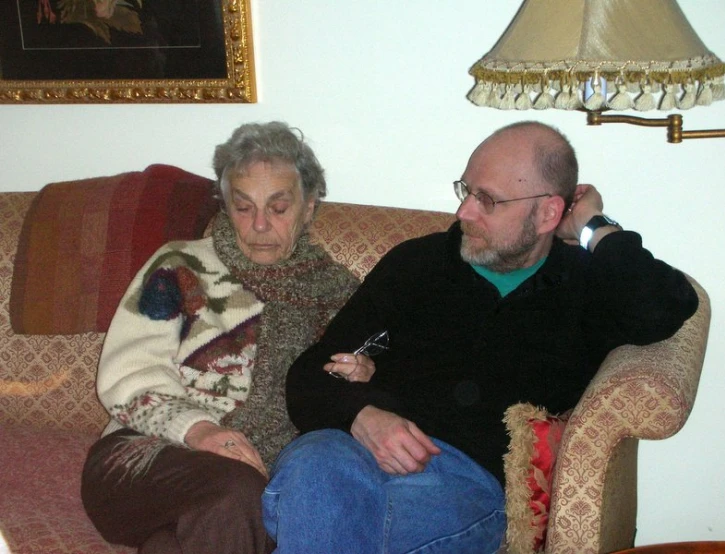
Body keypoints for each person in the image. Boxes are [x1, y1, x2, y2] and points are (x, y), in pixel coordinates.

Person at [262, 121, 699, 553]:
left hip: (463, 483)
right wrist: (363, 415)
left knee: (324, 508)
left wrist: (594, 227)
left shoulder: (585, 286)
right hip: (349, 452)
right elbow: (310, 374)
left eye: (487, 200)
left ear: (548, 212)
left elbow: (666, 307)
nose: (463, 212)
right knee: (317, 472)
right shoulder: (418, 265)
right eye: (466, 190)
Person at [80, 122, 374, 554]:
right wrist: (199, 431)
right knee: (238, 490)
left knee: (200, 528)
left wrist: (364, 374)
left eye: (278, 207)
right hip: (142, 460)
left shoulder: (340, 297)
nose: (258, 225)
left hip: (253, 480)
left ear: (309, 206)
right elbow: (130, 373)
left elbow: (347, 401)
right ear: (225, 204)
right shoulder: (179, 265)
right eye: (243, 207)